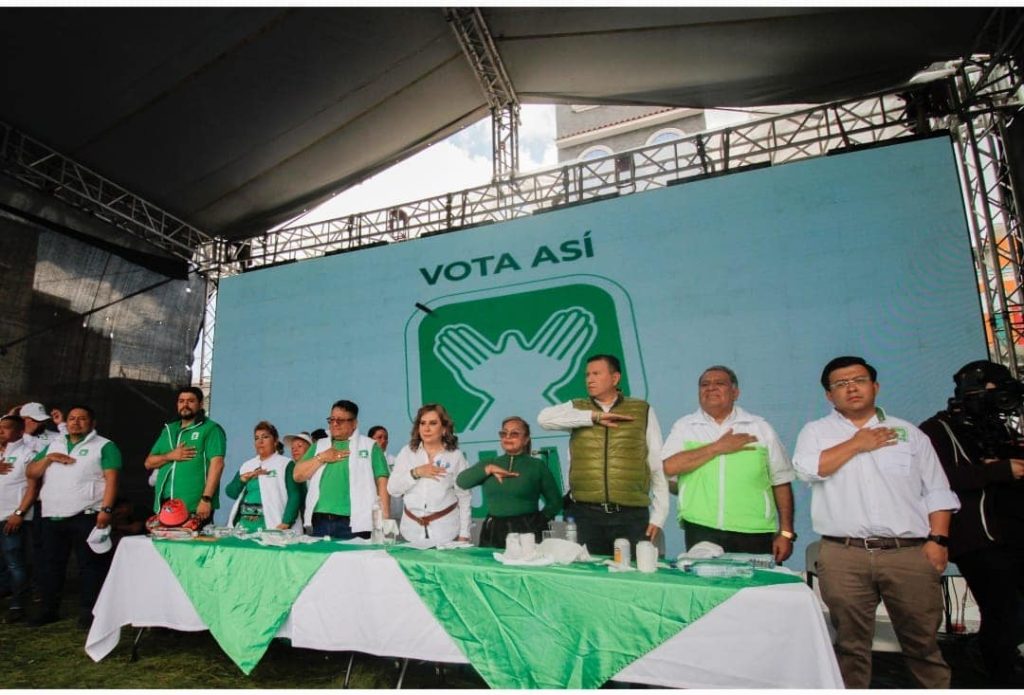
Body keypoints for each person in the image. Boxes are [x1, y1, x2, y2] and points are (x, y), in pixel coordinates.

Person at [792, 356, 959, 688]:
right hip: (844, 554)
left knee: (922, 643)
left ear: (875, 386)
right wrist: (858, 443)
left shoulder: (909, 434)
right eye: (841, 384)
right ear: (829, 395)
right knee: (849, 645)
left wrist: (939, 540)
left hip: (907, 553)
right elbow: (808, 469)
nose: (851, 388)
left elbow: (938, 490)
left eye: (859, 380)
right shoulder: (816, 432)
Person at [919, 360, 1024, 686]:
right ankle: (995, 671)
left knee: (1013, 614)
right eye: (992, 391)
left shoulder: (999, 426)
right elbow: (937, 480)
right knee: (1005, 612)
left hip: (1013, 532)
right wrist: (998, 470)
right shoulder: (936, 430)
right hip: (976, 539)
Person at [661, 366, 796, 561]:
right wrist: (718, 447)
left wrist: (786, 533)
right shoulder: (685, 426)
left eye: (719, 383)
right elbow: (668, 467)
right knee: (706, 580)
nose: (711, 388)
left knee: (754, 581)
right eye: (705, 384)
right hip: (701, 528)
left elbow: (781, 480)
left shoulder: (760, 428)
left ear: (735, 392)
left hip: (754, 530)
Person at [537, 354, 669, 556]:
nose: (589, 379)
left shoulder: (641, 410)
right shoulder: (578, 408)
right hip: (585, 515)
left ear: (615, 378)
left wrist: (659, 515)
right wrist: (592, 417)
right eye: (587, 375)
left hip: (631, 516)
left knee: (632, 571)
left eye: (596, 374)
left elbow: (656, 464)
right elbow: (543, 419)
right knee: (587, 571)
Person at [25, 405, 121, 628]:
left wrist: (106, 510)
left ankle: (89, 612)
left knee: (90, 565)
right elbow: (31, 472)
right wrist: (49, 459)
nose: (76, 422)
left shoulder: (105, 446)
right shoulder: (55, 444)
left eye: (82, 419)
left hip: (86, 514)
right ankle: (49, 609)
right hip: (52, 514)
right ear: (66, 423)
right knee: (51, 565)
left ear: (93, 423)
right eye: (71, 418)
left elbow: (112, 480)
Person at [457, 416, 562, 548]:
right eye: (504, 433)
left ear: (526, 439)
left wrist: (538, 521)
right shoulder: (490, 463)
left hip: (527, 531)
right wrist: (489, 469)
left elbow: (555, 502)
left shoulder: (537, 466)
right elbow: (462, 482)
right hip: (493, 531)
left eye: (514, 433)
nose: (508, 437)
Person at [293, 400, 390, 539]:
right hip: (320, 520)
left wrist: (385, 519)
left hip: (355, 522)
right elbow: (297, 475)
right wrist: (321, 457)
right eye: (331, 420)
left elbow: (382, 482)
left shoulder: (369, 446)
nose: (334, 424)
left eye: (340, 420)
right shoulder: (319, 446)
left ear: (354, 423)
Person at [388, 404, 471, 544]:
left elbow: (464, 496)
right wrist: (416, 472)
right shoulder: (407, 453)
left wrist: (464, 534)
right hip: (411, 532)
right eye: (422, 423)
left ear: (444, 428)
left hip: (446, 533)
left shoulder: (455, 456)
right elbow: (393, 489)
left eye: (433, 423)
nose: (426, 428)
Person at [145, 386, 226, 521]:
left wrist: (206, 499)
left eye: (190, 401)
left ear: (201, 404)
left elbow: (217, 464)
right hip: (165, 505)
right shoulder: (169, 430)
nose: (185, 405)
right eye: (181, 401)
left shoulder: (211, 429)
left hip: (195, 506)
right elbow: (148, 463)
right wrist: (170, 456)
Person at [225, 421, 302, 532]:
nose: (260, 441)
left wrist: (286, 522)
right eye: (256, 438)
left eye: (265, 437)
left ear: (275, 441)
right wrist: (242, 479)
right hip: (244, 527)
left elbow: (295, 495)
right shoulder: (247, 465)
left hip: (273, 526)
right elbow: (231, 493)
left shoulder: (285, 464)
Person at [0, 415, 40, 622]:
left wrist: (19, 514)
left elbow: (33, 489)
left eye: (6, 428)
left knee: (15, 562)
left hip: (11, 517)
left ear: (19, 431)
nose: (1, 432)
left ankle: (17, 605)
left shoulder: (27, 454)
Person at [368, 425, 402, 521]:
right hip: (374, 513)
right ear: (370, 440)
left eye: (386, 438)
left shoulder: (395, 461)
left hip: (396, 513)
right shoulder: (365, 461)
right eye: (379, 437)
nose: (383, 441)